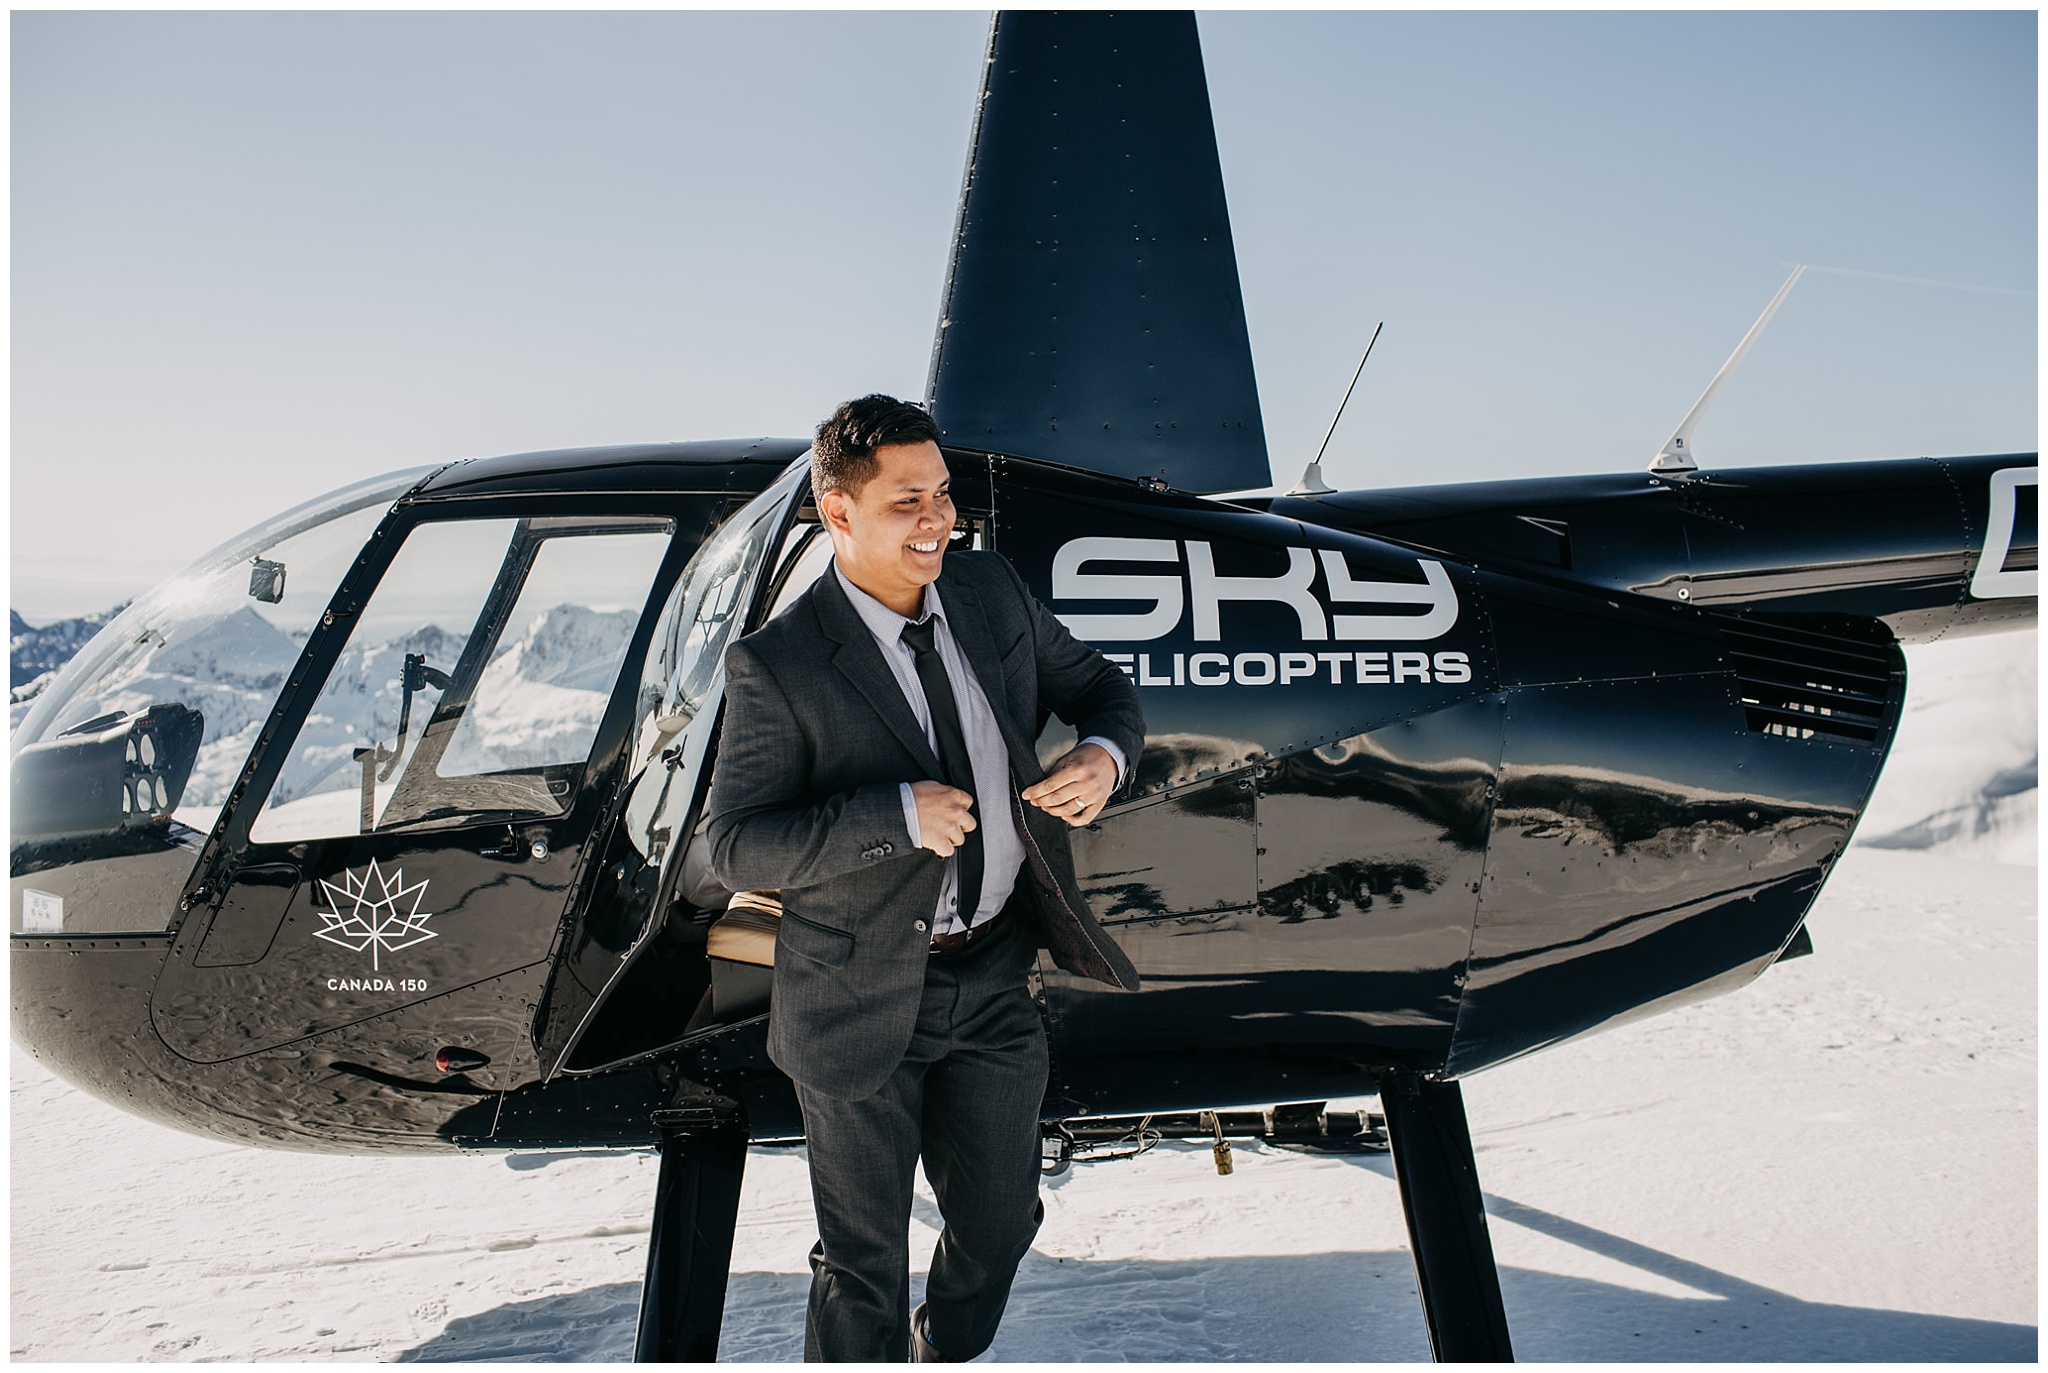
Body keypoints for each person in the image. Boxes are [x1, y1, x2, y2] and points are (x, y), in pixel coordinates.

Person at [705, 394, 1143, 1362]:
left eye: (941, 492)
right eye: (908, 500)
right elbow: (734, 844)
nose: (937, 516)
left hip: (990, 978)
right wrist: (893, 817)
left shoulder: (989, 596)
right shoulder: (775, 665)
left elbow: (1104, 689)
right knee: (863, 1265)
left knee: (998, 1222)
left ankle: (935, 1348)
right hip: (854, 996)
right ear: (840, 513)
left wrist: (1106, 755)